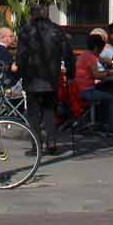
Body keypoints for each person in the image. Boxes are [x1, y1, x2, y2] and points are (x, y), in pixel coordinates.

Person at [16, 13, 72, 152]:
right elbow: (68, 53)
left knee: (33, 113)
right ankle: (51, 142)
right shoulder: (57, 30)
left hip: (32, 78)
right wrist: (71, 74)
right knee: (50, 111)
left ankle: (36, 145)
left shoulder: (26, 31)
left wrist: (20, 73)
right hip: (51, 79)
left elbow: (21, 55)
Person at [71, 33, 113, 130]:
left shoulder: (83, 55)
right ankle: (109, 126)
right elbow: (96, 75)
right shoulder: (91, 57)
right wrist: (109, 73)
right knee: (112, 98)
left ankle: (99, 122)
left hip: (78, 90)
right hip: (86, 91)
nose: (100, 52)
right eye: (100, 50)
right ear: (96, 48)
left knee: (104, 96)